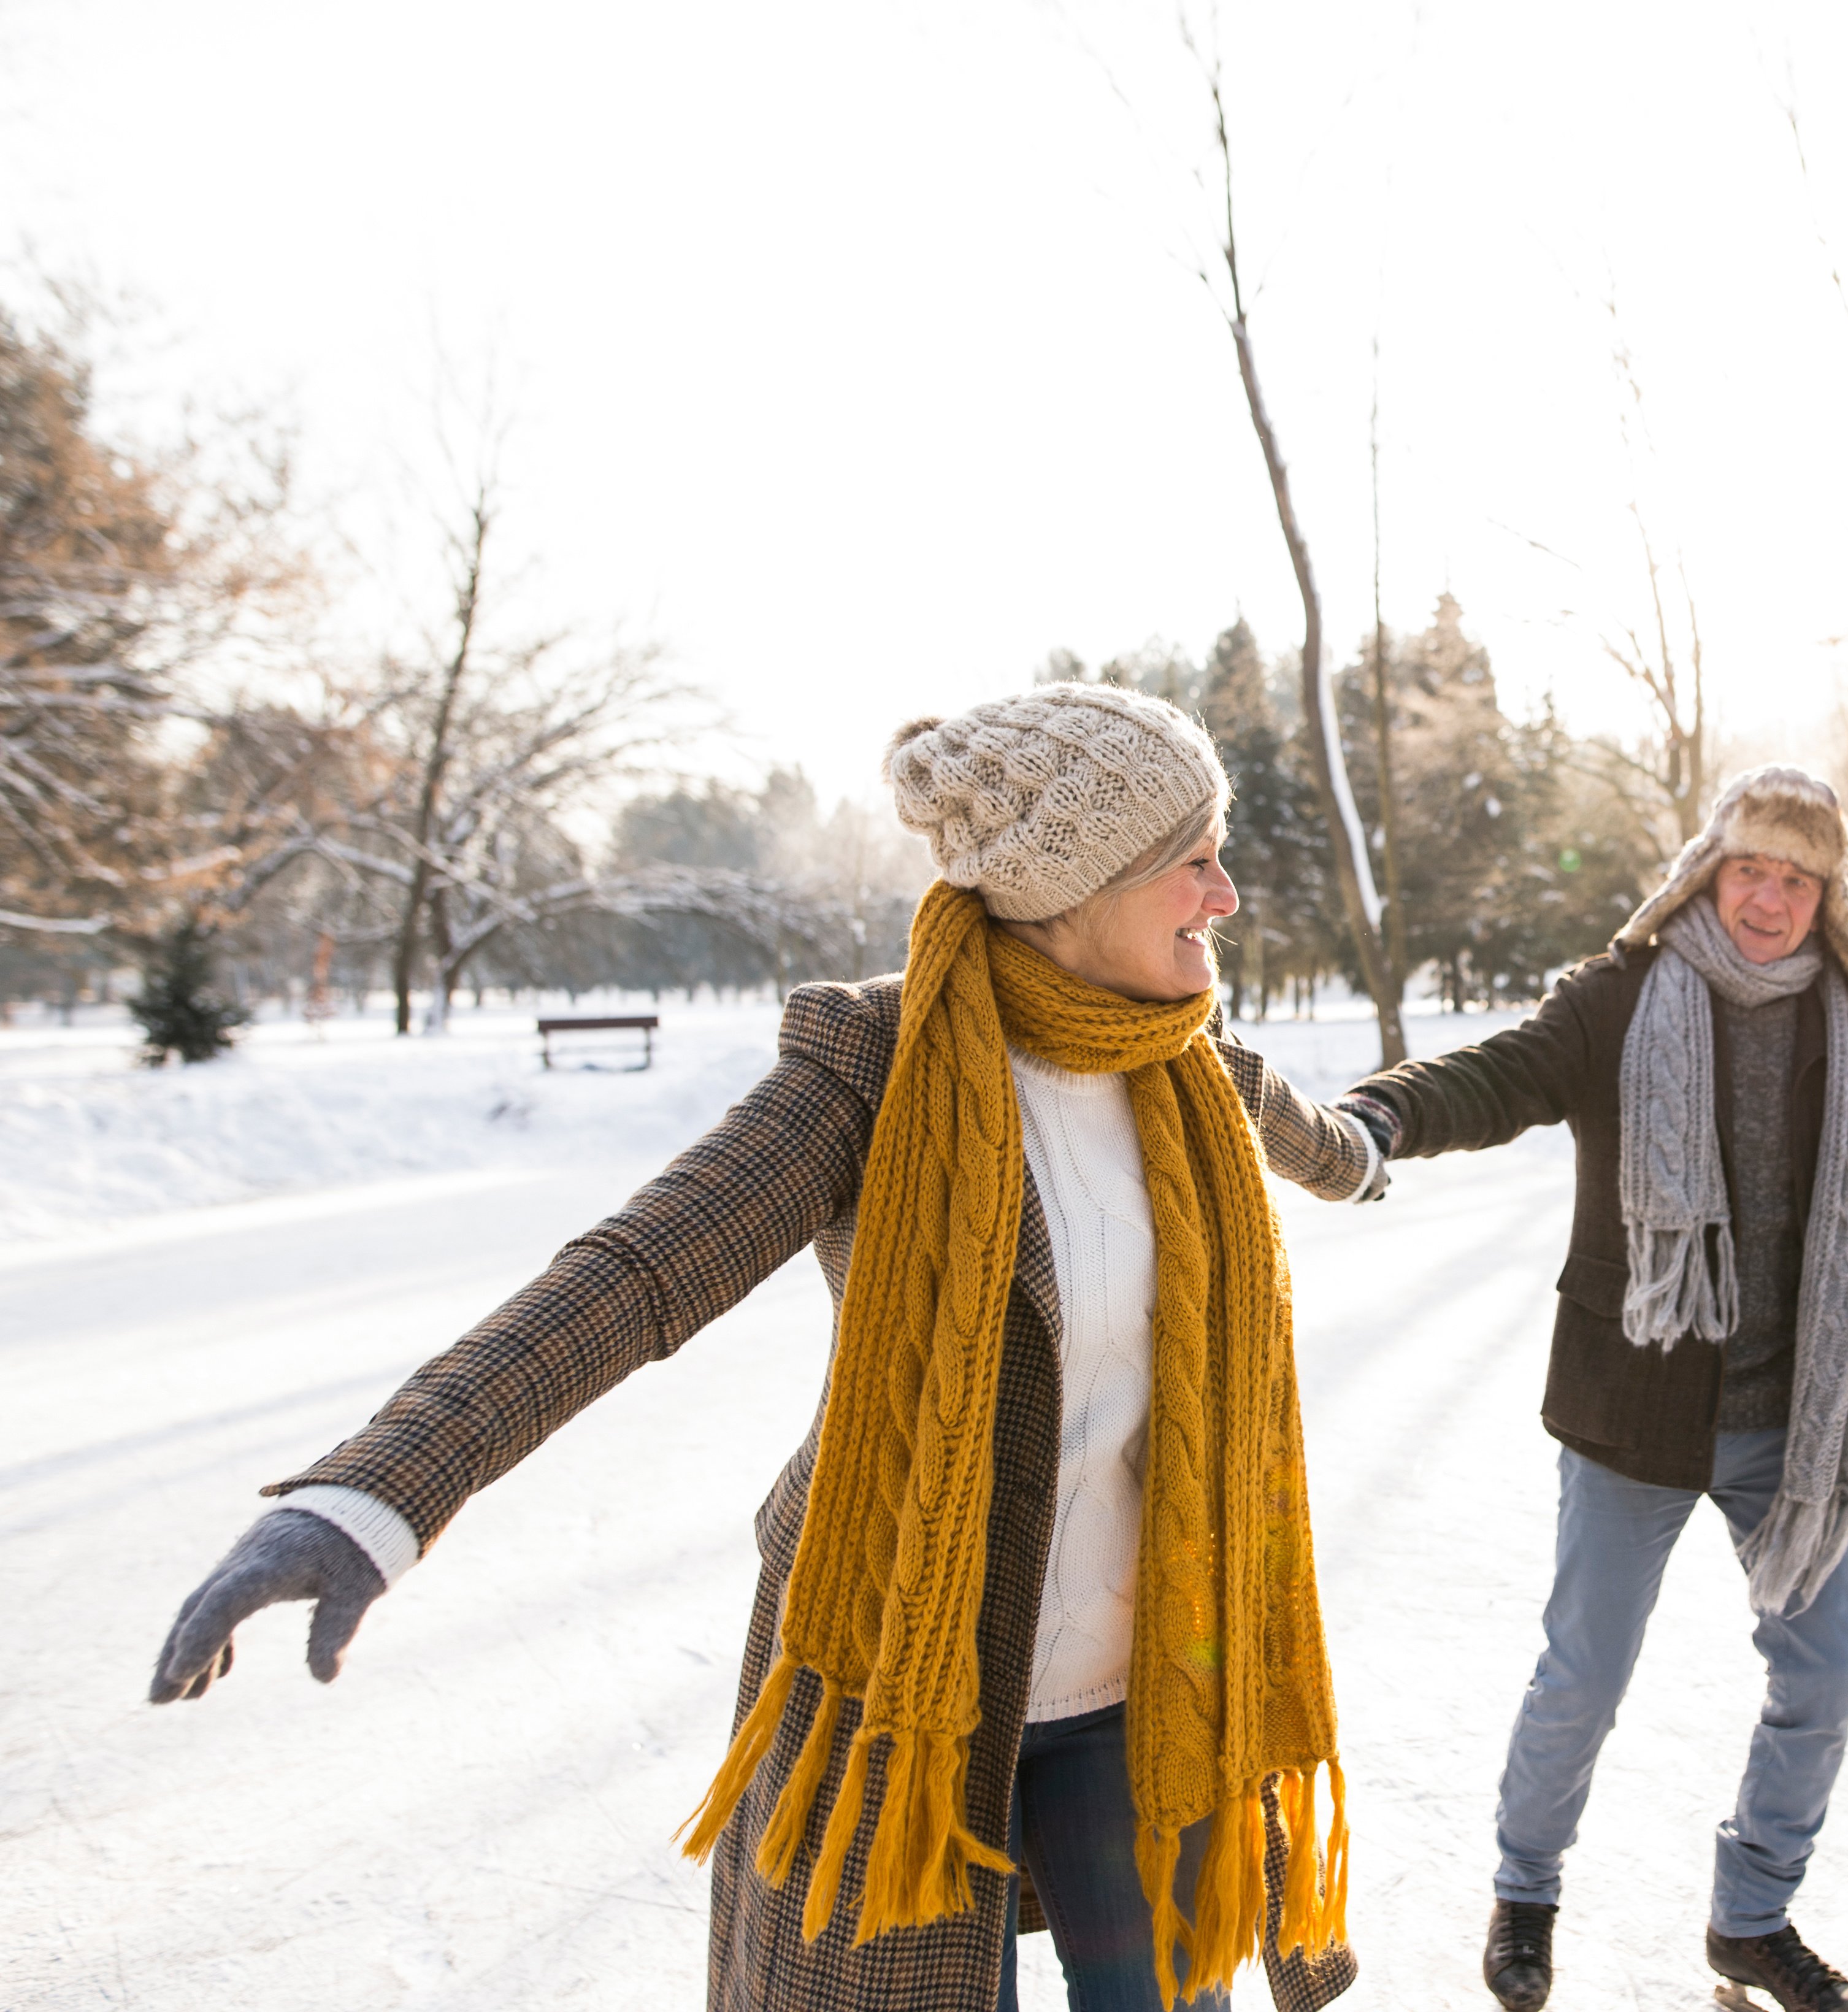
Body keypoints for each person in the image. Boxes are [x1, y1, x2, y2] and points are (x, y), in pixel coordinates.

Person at [148, 686, 1380, 2012]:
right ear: (1077, 884)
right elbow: (633, 1273)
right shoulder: (881, 1068)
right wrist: (375, 1491)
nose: (1229, 892)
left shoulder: (1198, 1064)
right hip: (902, 1673)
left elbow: (1319, 1142)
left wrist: (1371, 1156)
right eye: (1192, 857)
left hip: (1158, 1678)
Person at [1333, 766, 1848, 2012]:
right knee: (1585, 1674)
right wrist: (1380, 1114)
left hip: (1793, 1424)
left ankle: (1752, 1916)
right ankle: (1526, 1889)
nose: (1769, 898)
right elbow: (1499, 1076)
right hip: (1633, 1409)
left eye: (1797, 878)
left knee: (1824, 1676)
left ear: (1827, 897)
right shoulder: (1619, 1001)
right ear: (1707, 872)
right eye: (1750, 869)